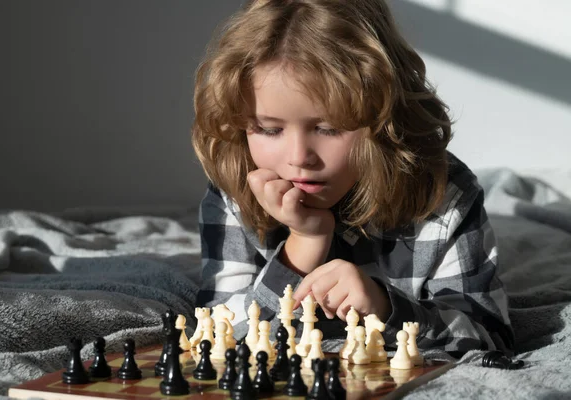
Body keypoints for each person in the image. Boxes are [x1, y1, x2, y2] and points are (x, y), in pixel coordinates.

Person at [191, 0, 513, 356]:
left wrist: (386, 308)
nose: (299, 158)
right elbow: (214, 336)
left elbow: (491, 338)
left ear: (385, 118)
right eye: (268, 130)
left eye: (329, 128)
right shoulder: (236, 187)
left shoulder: (445, 193)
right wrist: (303, 244)